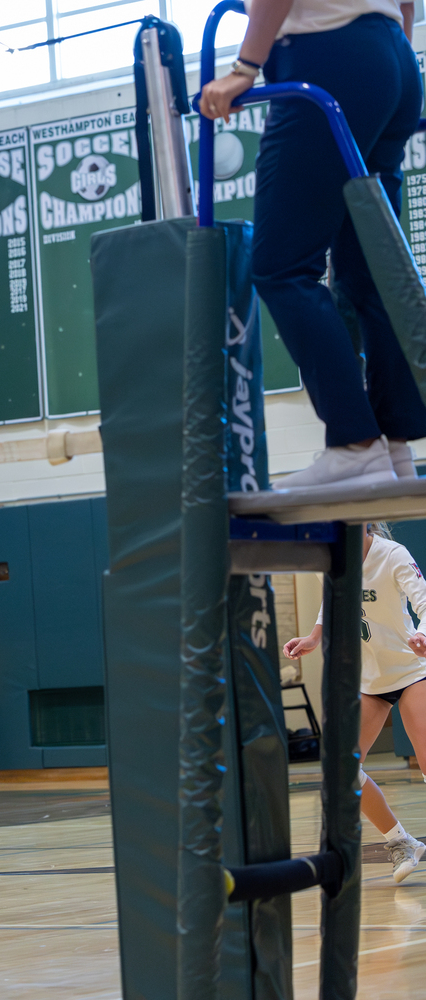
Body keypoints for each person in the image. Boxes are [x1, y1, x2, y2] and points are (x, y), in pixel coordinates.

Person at [199, 0, 423, 491]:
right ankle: (394, 443)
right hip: (396, 61)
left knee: (280, 267)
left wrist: (244, 69)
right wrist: (390, 50)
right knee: (370, 270)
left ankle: (355, 445)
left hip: (330, 58)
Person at [283, 521, 426, 880]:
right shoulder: (332, 562)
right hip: (369, 680)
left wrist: (423, 633)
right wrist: (315, 637)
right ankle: (401, 842)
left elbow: (424, 601)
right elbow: (332, 602)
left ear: (363, 522)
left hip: (411, 671)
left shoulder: (393, 555)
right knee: (343, 768)